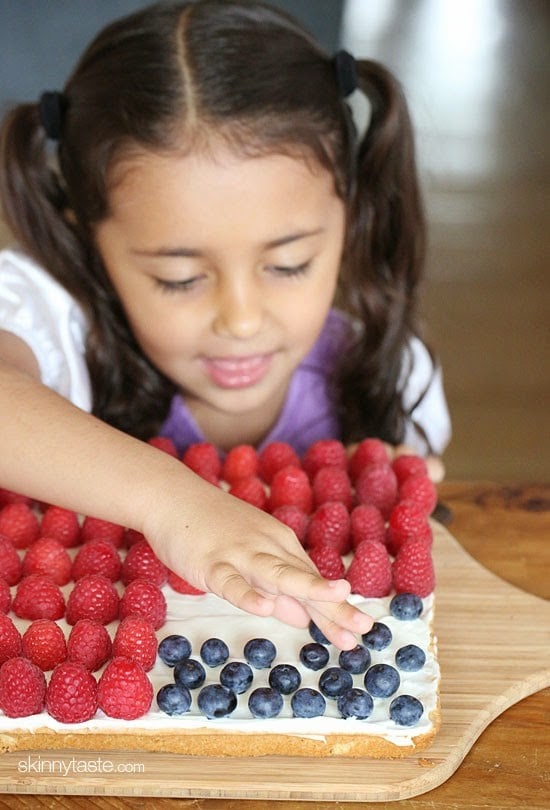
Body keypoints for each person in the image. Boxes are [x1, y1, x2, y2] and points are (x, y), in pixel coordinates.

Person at [0, 0, 450, 649]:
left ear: (348, 218)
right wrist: (172, 502)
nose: (240, 321)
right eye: (179, 279)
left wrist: (372, 488)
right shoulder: (54, 325)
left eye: (290, 264)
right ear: (88, 240)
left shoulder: (391, 373)